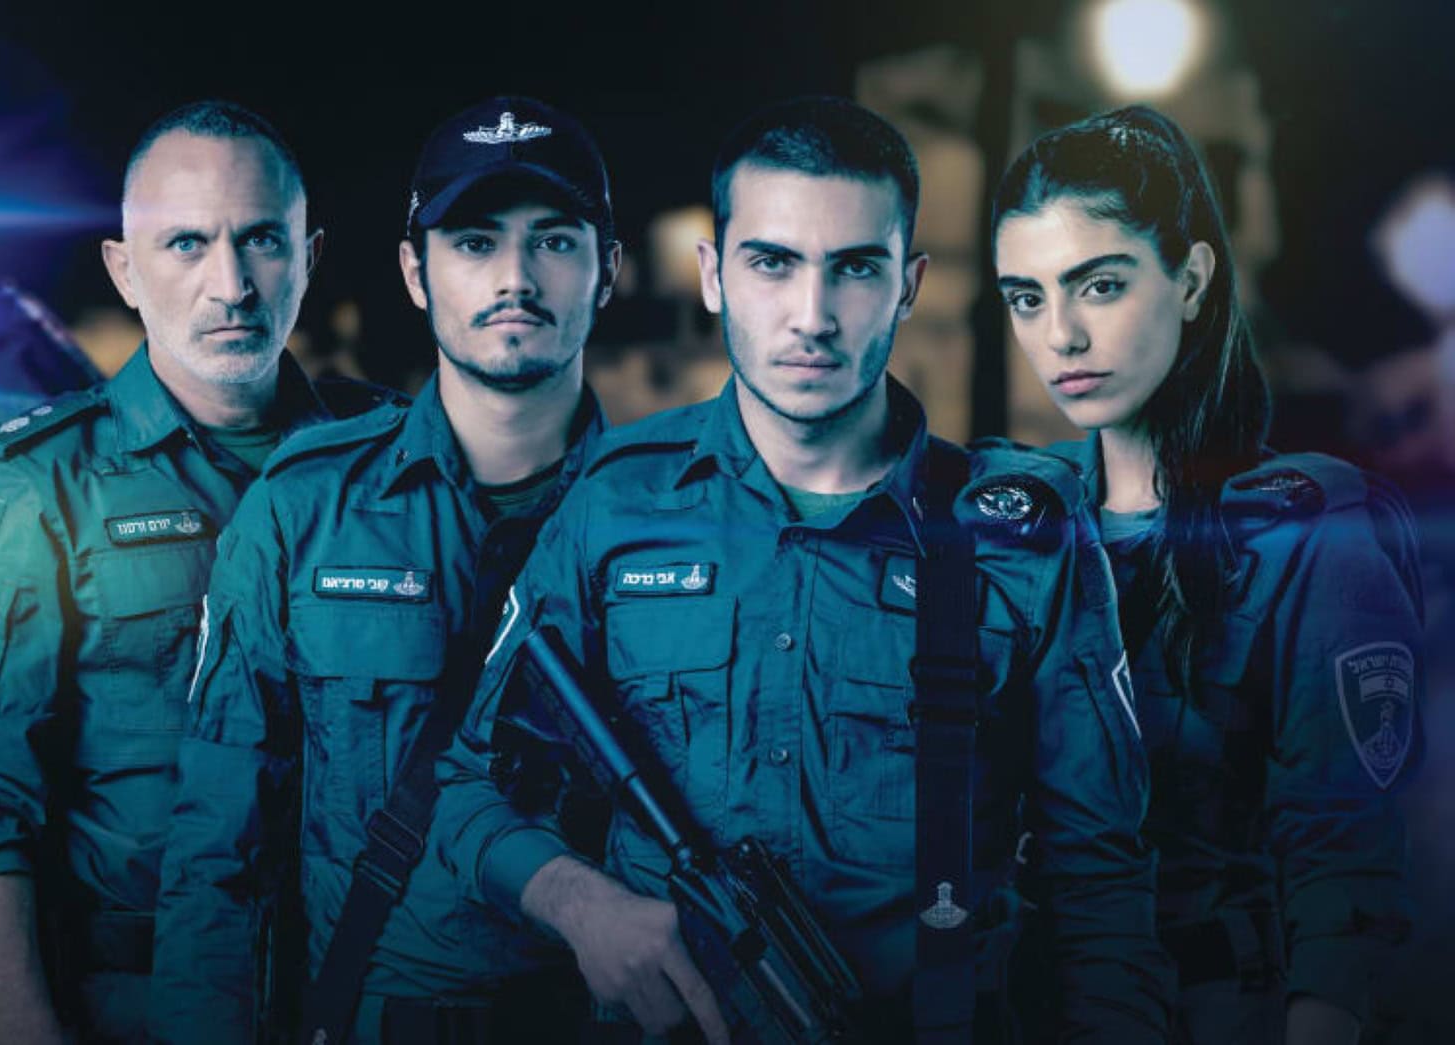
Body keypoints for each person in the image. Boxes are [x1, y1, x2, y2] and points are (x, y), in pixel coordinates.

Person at [432, 96, 1168, 1043]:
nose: (811, 316)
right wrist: (579, 904)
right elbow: (464, 777)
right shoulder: (614, 504)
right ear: (713, 274)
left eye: (854, 268)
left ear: (908, 284)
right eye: (772, 263)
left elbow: (1103, 892)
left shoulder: (1021, 533)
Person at [0, 99, 383, 1044]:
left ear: (310, 255)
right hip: (141, 1004)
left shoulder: (390, 462)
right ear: (125, 268)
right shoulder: (39, 482)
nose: (230, 284)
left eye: (261, 241)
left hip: (363, 994)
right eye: (187, 244)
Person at [148, 96, 620, 1044]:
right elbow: (218, 849)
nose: (516, 278)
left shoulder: (673, 527)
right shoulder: (304, 510)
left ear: (608, 270)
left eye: (555, 242)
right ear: (416, 271)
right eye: (476, 242)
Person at [992, 105, 1424, 1045]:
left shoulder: (1307, 537)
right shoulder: (1012, 530)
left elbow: (1343, 870)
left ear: (1190, 279)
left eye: (1097, 285)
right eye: (1025, 297)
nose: (1058, 334)